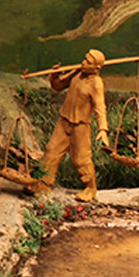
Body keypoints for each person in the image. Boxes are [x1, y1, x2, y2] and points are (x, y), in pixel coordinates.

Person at [38, 49, 110, 202]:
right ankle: (43, 184)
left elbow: (100, 107)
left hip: (80, 126)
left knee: (81, 159)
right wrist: (55, 76)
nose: (84, 63)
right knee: (52, 151)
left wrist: (103, 129)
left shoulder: (96, 84)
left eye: (88, 62)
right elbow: (58, 86)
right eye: (85, 59)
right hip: (64, 120)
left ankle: (90, 188)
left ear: (96, 68)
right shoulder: (78, 72)